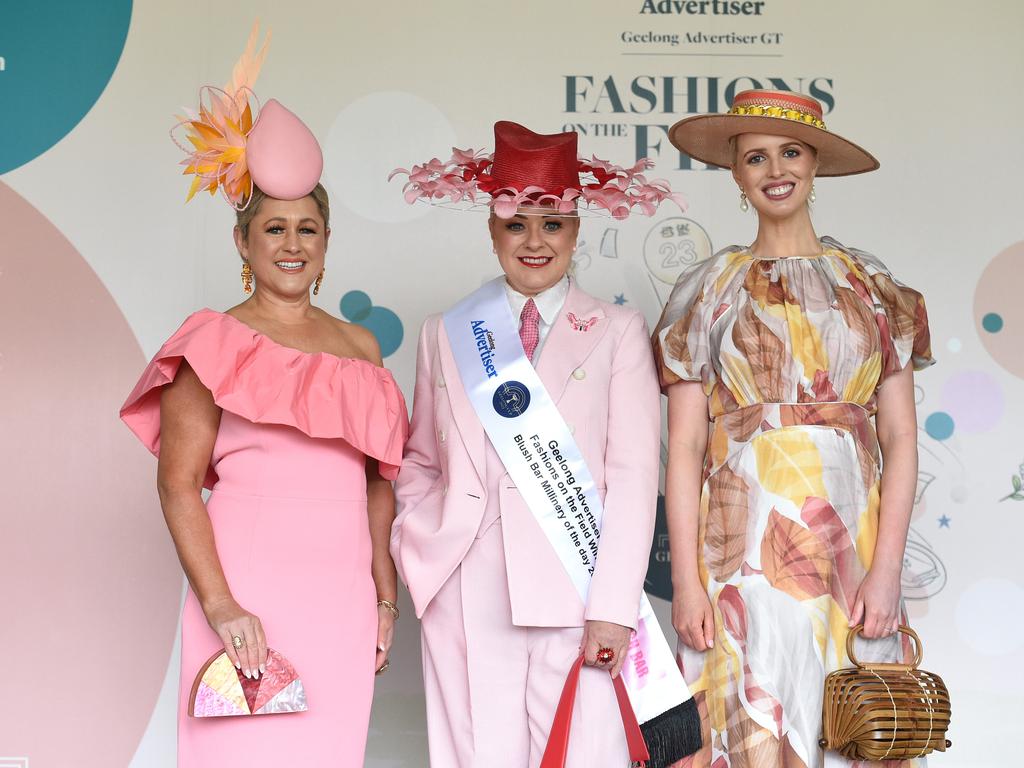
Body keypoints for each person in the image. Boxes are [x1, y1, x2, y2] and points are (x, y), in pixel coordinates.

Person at [119, 27, 407, 766]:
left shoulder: (361, 348)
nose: (292, 243)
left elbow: (379, 485)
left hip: (340, 595)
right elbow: (178, 484)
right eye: (274, 227)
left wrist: (382, 593)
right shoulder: (211, 340)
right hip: (246, 591)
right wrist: (221, 604)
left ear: (327, 241)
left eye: (308, 228)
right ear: (242, 244)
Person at [390, 121, 701, 767]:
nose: (534, 242)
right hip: (469, 588)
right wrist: (427, 545)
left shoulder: (617, 331)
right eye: (516, 225)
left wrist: (615, 605)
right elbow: (418, 459)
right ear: (492, 231)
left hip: (579, 589)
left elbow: (637, 475)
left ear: (576, 230)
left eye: (552, 225)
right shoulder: (443, 333)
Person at [654, 89, 934, 767]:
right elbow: (686, 447)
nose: (774, 168)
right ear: (737, 174)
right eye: (755, 157)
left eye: (789, 152)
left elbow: (900, 439)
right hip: (739, 550)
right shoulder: (708, 289)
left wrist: (887, 569)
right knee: (750, 715)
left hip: (855, 547)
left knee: (851, 720)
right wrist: (688, 584)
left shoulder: (871, 287)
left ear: (813, 164)